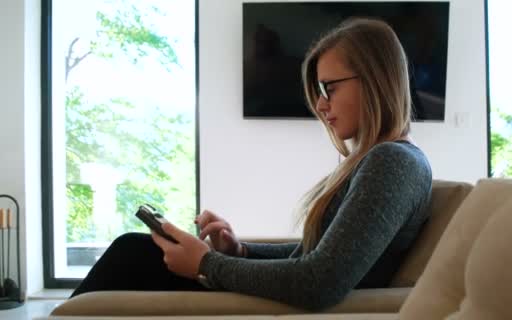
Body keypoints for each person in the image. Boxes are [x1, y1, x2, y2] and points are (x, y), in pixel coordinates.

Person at [70, 17, 433, 311]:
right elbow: (315, 256)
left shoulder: (393, 162)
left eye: (329, 88)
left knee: (134, 253)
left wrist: (206, 264)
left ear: (373, 80)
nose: (321, 106)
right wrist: (241, 250)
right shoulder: (387, 160)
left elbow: (319, 281)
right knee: (137, 249)